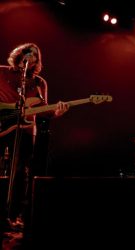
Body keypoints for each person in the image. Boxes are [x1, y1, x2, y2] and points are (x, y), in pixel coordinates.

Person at [0, 43, 69, 231]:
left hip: (26, 129)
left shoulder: (39, 82)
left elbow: (44, 110)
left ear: (37, 61)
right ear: (18, 55)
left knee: (21, 172)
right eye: (26, 54)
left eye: (34, 57)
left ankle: (13, 216)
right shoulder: (2, 72)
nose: (30, 59)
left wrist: (56, 111)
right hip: (2, 125)